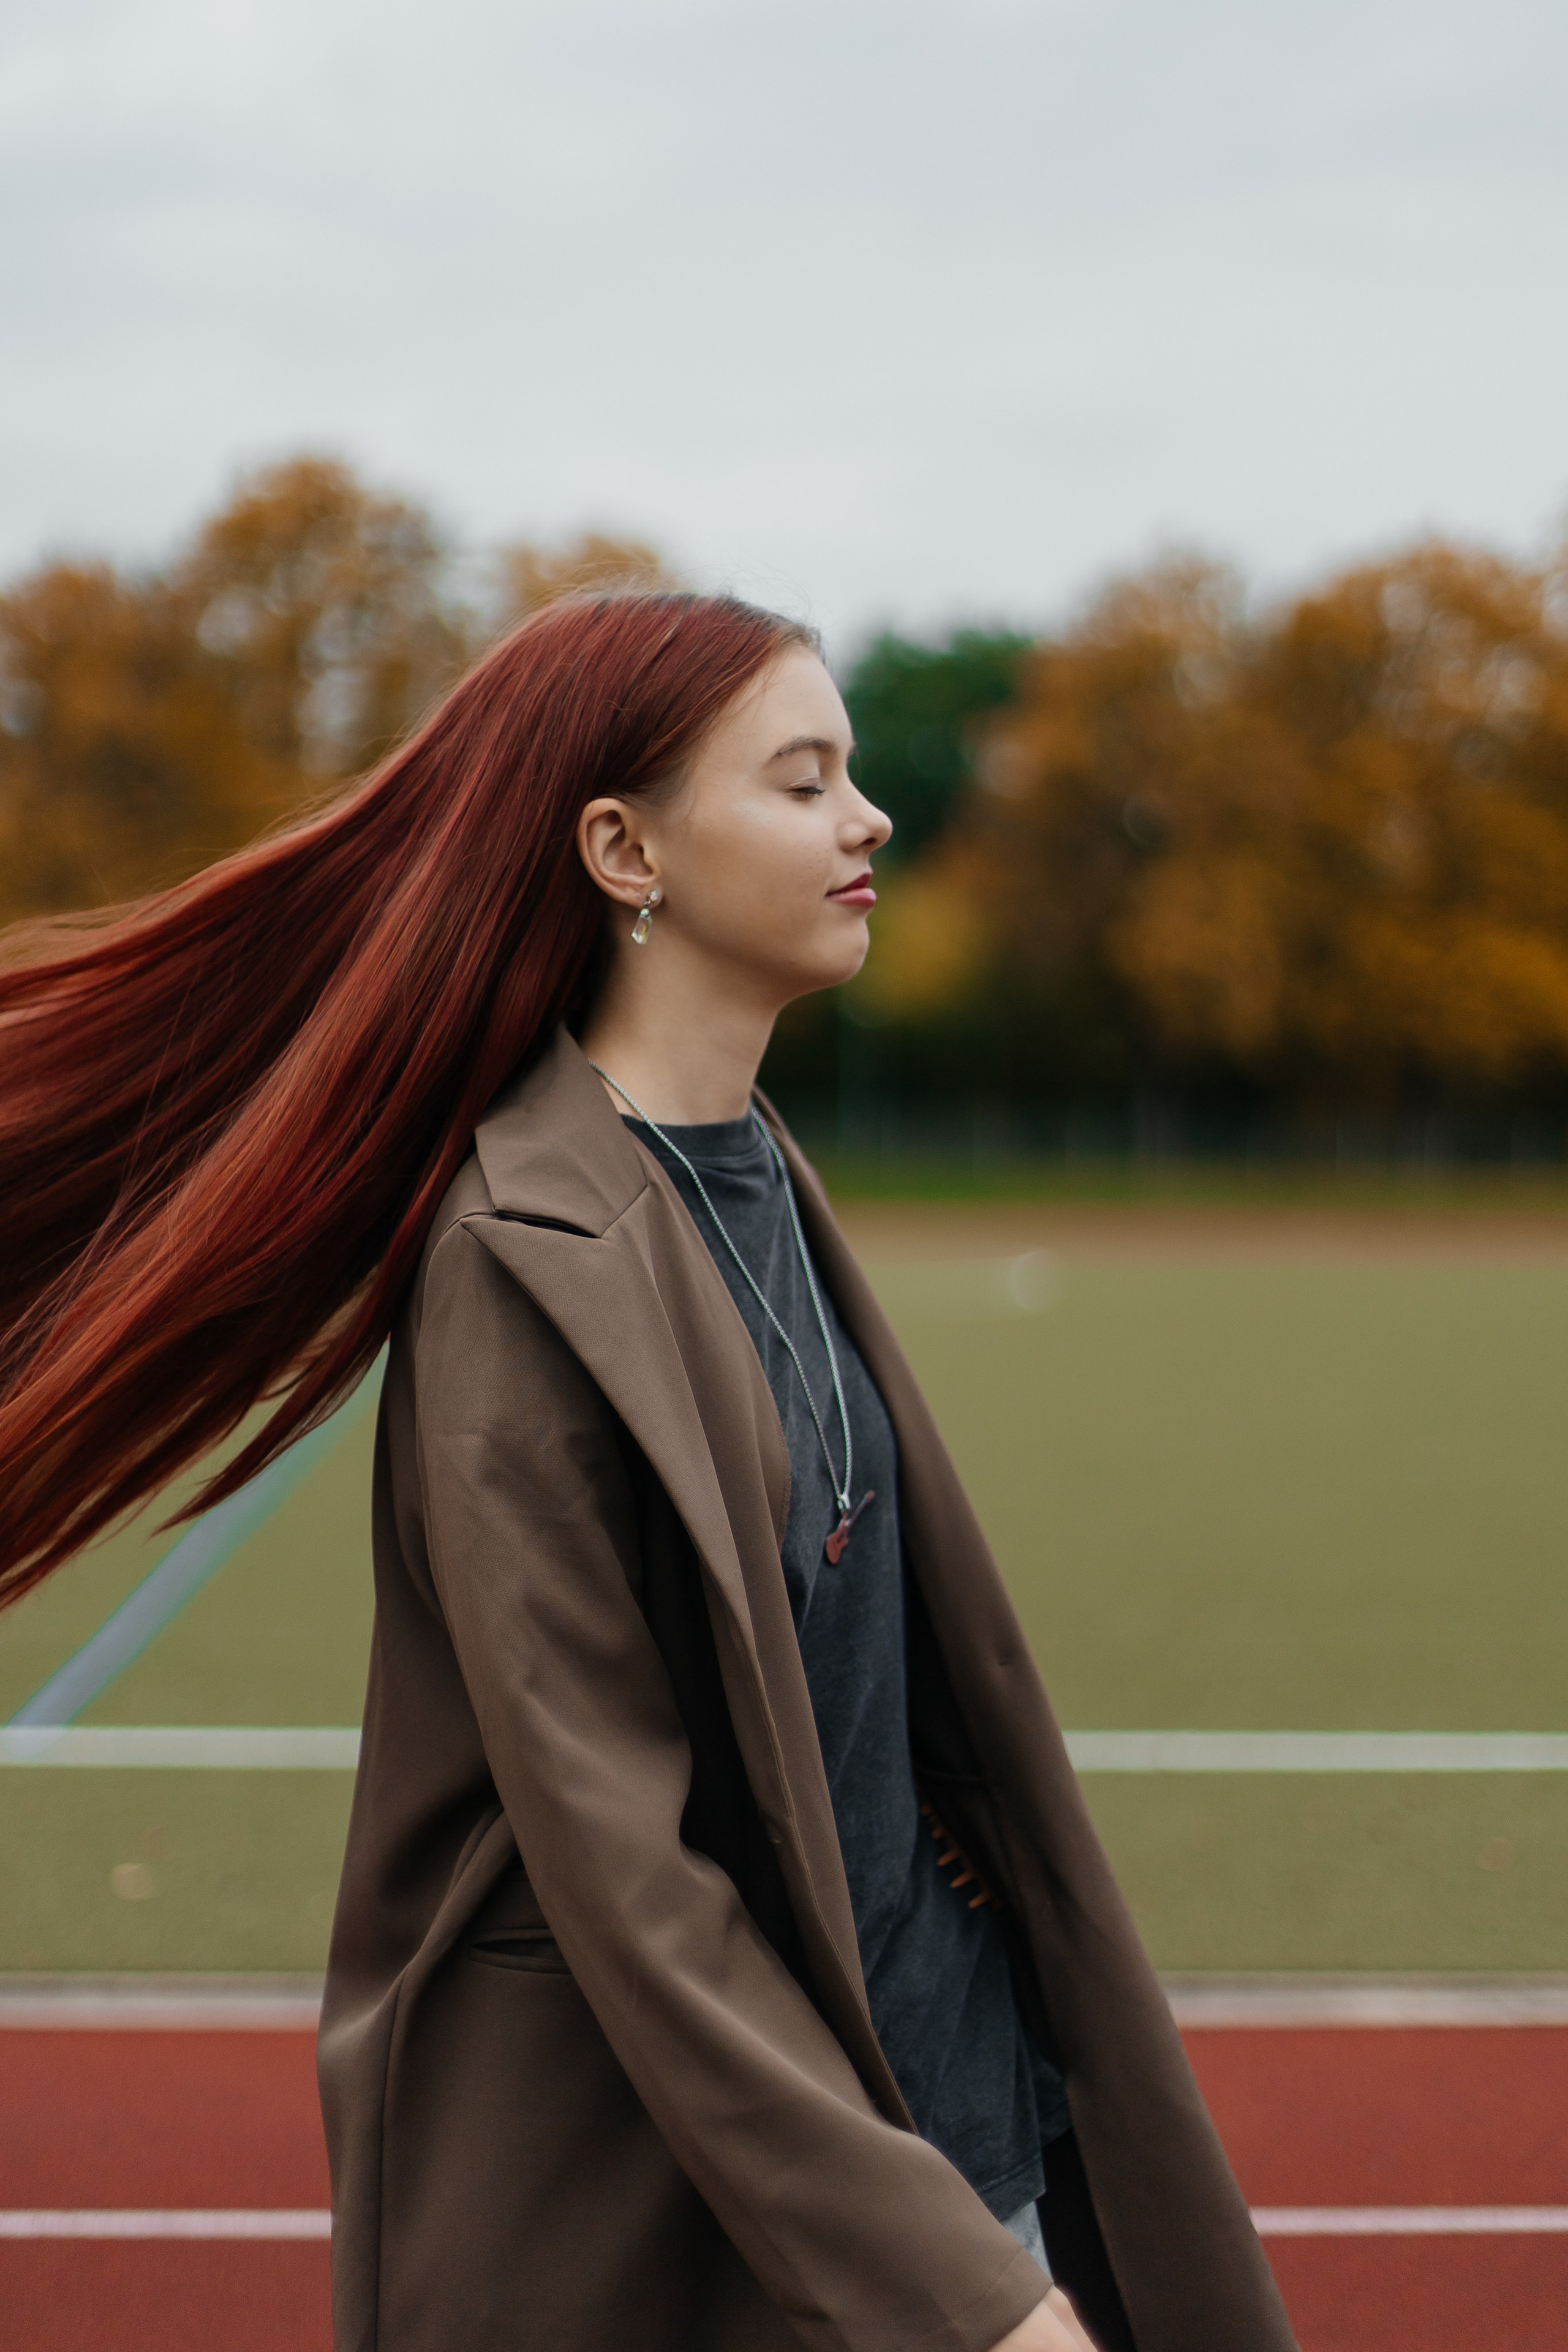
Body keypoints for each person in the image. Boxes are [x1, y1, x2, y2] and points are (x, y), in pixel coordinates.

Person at [0, 594, 1297, 2352]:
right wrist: (970, 2299)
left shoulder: (748, 1157)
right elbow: (634, 1883)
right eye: (804, 779)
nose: (872, 818)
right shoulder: (520, 1262)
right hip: (719, 2222)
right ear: (625, 850)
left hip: (941, 2108)